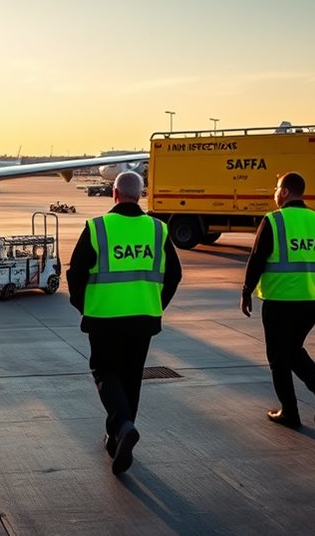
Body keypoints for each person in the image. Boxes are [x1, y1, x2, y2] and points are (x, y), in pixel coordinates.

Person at [66, 171, 182, 476]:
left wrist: (83, 306)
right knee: (131, 377)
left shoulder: (98, 227)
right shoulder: (158, 229)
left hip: (104, 318)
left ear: (114, 194)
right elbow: (175, 275)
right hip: (143, 318)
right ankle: (117, 437)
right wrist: (157, 305)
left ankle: (123, 424)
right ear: (140, 195)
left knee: (104, 371)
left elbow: (75, 272)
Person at [240, 172, 315, 430]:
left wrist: (246, 291)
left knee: (278, 357)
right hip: (309, 300)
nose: (274, 192)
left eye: (276, 187)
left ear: (284, 192)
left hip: (279, 300)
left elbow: (257, 258)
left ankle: (290, 412)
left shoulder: (275, 220)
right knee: (293, 350)